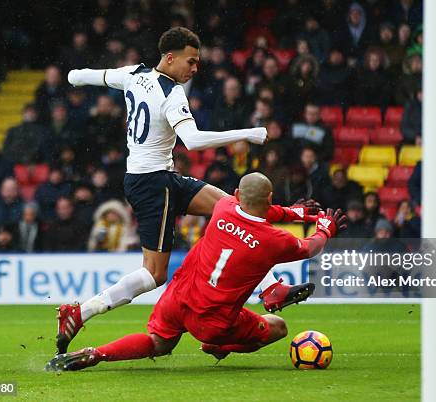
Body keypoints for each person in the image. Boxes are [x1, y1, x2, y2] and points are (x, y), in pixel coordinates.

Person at [56, 27, 316, 354]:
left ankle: (271, 289)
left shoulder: (134, 74)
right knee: (154, 274)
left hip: (158, 177)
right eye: (191, 62)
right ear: (170, 57)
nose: (195, 69)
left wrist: (74, 76)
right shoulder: (172, 93)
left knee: (236, 207)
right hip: (154, 183)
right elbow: (191, 141)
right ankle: (81, 312)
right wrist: (248, 133)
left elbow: (83, 76)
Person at [46, 173, 347, 371]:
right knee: (278, 327)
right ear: (269, 199)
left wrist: (294, 211)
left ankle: (97, 353)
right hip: (214, 321)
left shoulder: (224, 207)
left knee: (158, 343)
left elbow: (258, 206)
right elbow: (309, 248)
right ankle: (221, 343)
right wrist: (325, 227)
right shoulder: (274, 240)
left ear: (237, 193)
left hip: (178, 297)